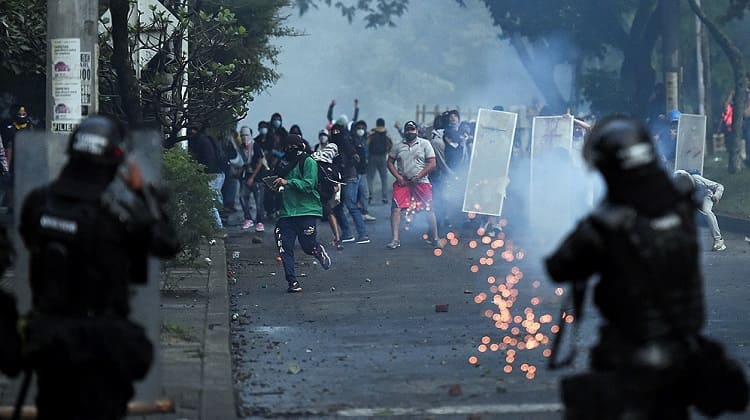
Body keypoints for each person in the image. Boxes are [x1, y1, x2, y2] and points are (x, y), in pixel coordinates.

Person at [545, 115, 716, 419]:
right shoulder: (679, 210)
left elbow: (558, 267)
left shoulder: (608, 220)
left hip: (629, 350)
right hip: (683, 348)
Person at [19, 115, 180, 419]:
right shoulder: (117, 217)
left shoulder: (38, 203)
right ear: (115, 162)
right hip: (100, 347)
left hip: (50, 341)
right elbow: (167, 243)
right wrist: (143, 193)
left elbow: (30, 244)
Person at [271, 134, 332, 293]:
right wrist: (275, 185)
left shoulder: (308, 161)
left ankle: (317, 250)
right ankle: (292, 281)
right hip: (287, 212)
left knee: (307, 245)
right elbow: (279, 182)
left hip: (307, 210)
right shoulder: (282, 163)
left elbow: (308, 185)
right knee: (285, 247)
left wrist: (288, 182)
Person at [386, 121, 441, 250]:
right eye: (408, 130)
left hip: (421, 181)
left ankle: (435, 238)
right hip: (403, 181)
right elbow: (389, 162)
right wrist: (398, 177)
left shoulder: (425, 144)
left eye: (412, 130)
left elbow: (432, 163)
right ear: (404, 131)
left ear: (416, 131)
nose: (410, 132)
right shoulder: (398, 146)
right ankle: (395, 239)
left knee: (429, 209)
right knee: (396, 208)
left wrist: (419, 176)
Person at [330, 116, 370, 244]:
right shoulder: (332, 146)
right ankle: (347, 233)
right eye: (333, 132)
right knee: (337, 207)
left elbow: (356, 157)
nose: (335, 133)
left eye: (337, 131)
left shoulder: (345, 142)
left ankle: (363, 234)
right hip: (339, 179)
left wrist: (345, 165)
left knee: (351, 205)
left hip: (350, 177)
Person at [674, 170, 726, 251]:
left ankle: (719, 240)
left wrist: (717, 195)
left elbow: (719, 186)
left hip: (706, 197)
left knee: (706, 211)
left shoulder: (696, 179)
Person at [188, 124, 225, 231]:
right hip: (218, 173)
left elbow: (208, 161)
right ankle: (216, 224)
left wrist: (200, 171)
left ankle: (218, 227)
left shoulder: (201, 141)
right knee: (214, 201)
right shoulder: (205, 139)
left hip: (212, 174)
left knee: (209, 202)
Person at [351, 120, 375, 221]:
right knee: (354, 194)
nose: (361, 130)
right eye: (358, 128)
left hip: (363, 171)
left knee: (365, 193)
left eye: (362, 128)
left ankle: (364, 212)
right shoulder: (352, 140)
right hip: (354, 172)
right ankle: (355, 214)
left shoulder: (365, 141)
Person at [367, 117, 393, 205]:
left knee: (370, 178)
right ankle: (385, 197)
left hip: (372, 157)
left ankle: (369, 195)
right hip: (382, 157)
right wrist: (388, 153)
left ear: (377, 124)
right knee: (384, 178)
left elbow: (367, 144)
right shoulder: (386, 134)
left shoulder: (372, 134)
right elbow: (390, 145)